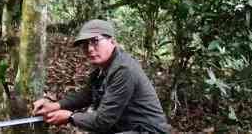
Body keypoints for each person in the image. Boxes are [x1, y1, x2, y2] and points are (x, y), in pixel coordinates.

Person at [33, 19, 171, 133]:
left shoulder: (123, 69)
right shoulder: (102, 67)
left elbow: (103, 121)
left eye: (95, 41)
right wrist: (56, 105)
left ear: (112, 41)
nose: (90, 49)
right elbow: (86, 95)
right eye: (85, 44)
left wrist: (70, 117)